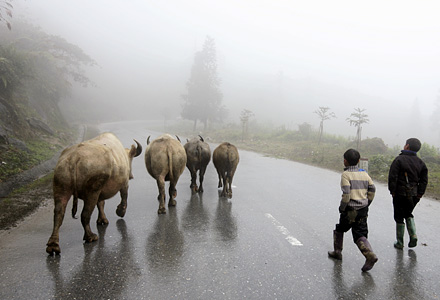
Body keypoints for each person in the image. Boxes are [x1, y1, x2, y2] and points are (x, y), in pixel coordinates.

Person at [328, 149, 378, 272]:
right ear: (358, 161)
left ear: (345, 161)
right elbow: (372, 189)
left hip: (350, 210)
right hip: (363, 210)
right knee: (360, 234)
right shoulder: (364, 174)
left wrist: (342, 208)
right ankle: (369, 254)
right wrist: (367, 203)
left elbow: (346, 195)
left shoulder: (346, 175)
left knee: (340, 228)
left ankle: (337, 252)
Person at [388, 138, 428, 249]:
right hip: (414, 194)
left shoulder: (399, 159)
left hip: (400, 193)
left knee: (399, 216)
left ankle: (400, 243)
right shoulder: (421, 163)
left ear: (407, 146)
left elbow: (393, 177)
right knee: (408, 213)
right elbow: (424, 180)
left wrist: (392, 191)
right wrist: (420, 193)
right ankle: (413, 235)